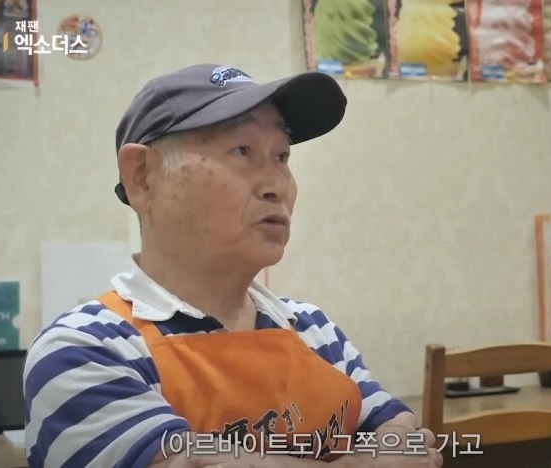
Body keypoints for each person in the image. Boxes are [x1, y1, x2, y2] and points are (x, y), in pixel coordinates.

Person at [23, 64, 443, 468]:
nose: (277, 186)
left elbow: (398, 431)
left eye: (281, 156)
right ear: (143, 177)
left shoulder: (313, 330)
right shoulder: (84, 349)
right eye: (243, 151)